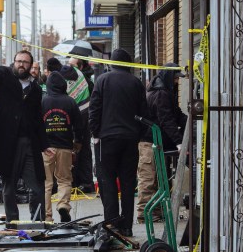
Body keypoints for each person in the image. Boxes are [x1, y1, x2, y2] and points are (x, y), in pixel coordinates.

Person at [0, 34, 52, 221]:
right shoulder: (4, 76)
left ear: (31, 66)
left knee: (37, 186)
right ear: (14, 62)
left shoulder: (36, 89)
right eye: (18, 61)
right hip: (7, 143)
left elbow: (38, 118)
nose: (21, 64)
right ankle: (12, 222)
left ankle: (37, 221)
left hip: (29, 143)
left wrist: (45, 145)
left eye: (25, 62)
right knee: (9, 186)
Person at [89, 48, 148, 237]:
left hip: (106, 140)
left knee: (108, 181)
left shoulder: (102, 81)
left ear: (111, 63)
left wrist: (95, 132)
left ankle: (112, 223)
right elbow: (143, 112)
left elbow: (94, 109)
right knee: (128, 183)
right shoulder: (136, 83)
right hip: (130, 139)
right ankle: (127, 225)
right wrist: (138, 134)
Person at [137, 63, 187, 223]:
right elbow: (167, 120)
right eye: (175, 79)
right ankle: (145, 214)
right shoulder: (161, 94)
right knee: (149, 179)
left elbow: (176, 115)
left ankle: (155, 212)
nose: (177, 82)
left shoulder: (163, 92)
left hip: (157, 142)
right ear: (168, 78)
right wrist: (179, 141)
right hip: (150, 142)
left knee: (160, 179)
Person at [41, 71, 83, 223]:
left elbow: (36, 125)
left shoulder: (43, 101)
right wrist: (77, 144)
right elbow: (79, 125)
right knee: (64, 180)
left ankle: (47, 216)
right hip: (65, 147)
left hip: (46, 148)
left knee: (46, 183)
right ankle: (63, 205)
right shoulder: (70, 102)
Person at [67, 57, 96, 194]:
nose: (69, 67)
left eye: (72, 65)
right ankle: (76, 181)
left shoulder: (87, 83)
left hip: (83, 121)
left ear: (81, 67)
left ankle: (85, 182)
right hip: (73, 120)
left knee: (83, 152)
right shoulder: (69, 80)